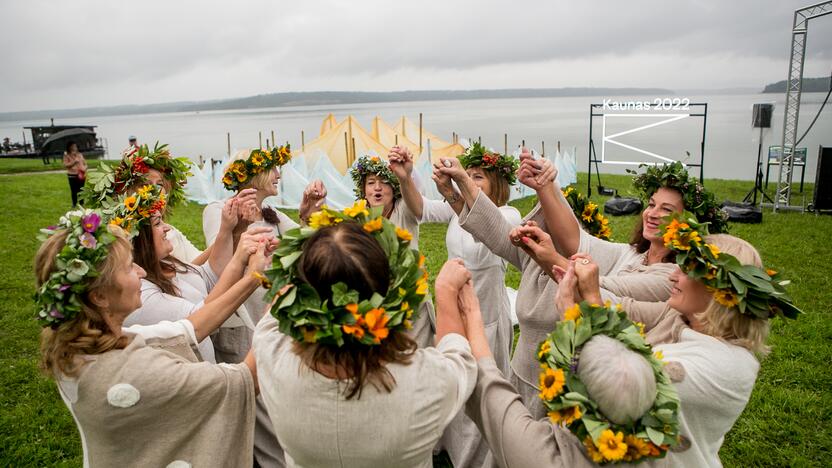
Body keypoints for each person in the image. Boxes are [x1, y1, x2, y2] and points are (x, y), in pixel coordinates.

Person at [557, 215, 801, 467]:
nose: (673, 276)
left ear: (718, 290)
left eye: (687, 269)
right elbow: (627, 310)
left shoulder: (715, 364)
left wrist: (572, 319)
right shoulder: (682, 319)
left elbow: (609, 386)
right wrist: (583, 288)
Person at [254, 203, 477, 468]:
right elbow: (458, 354)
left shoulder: (271, 354)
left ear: (304, 297)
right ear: (390, 289)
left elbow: (275, 310)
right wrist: (445, 293)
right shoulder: (425, 382)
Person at [34, 208, 260, 466]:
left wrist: (252, 276)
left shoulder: (84, 345)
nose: (141, 273)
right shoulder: (131, 373)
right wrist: (275, 313)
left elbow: (191, 328)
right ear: (99, 297)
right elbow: (244, 380)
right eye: (129, 267)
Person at [460, 270, 682, 467]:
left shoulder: (539, 453)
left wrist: (471, 313)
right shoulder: (654, 450)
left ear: (578, 396)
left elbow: (489, 389)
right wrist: (569, 311)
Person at [422, 142, 521, 468]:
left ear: (497, 183)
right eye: (470, 175)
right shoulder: (461, 210)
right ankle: (454, 448)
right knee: (455, 383)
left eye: (478, 177)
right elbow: (457, 215)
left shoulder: (508, 215)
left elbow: (481, 242)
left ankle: (483, 457)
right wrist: (447, 189)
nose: (471, 181)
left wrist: (459, 186)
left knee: (484, 387)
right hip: (456, 309)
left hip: (487, 316)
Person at [342, 147, 435, 348]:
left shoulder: (405, 208)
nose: (377, 188)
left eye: (384, 182)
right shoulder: (357, 215)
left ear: (394, 188)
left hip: (412, 298)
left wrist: (405, 176)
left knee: (415, 355)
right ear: (363, 189)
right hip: (374, 302)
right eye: (371, 183)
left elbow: (415, 201)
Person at [80, 142, 202, 263]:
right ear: (128, 192)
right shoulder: (123, 238)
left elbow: (196, 265)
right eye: (145, 184)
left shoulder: (171, 232)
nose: (155, 190)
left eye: (160, 184)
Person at [62, 141, 87, 207]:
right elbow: (66, 165)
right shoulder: (66, 155)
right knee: (74, 190)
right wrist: (74, 162)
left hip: (81, 174)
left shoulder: (80, 154)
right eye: (73, 146)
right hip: (72, 175)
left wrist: (84, 168)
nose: (74, 148)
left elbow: (85, 163)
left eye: (75, 146)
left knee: (81, 190)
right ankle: (74, 204)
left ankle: (82, 203)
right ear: (69, 147)